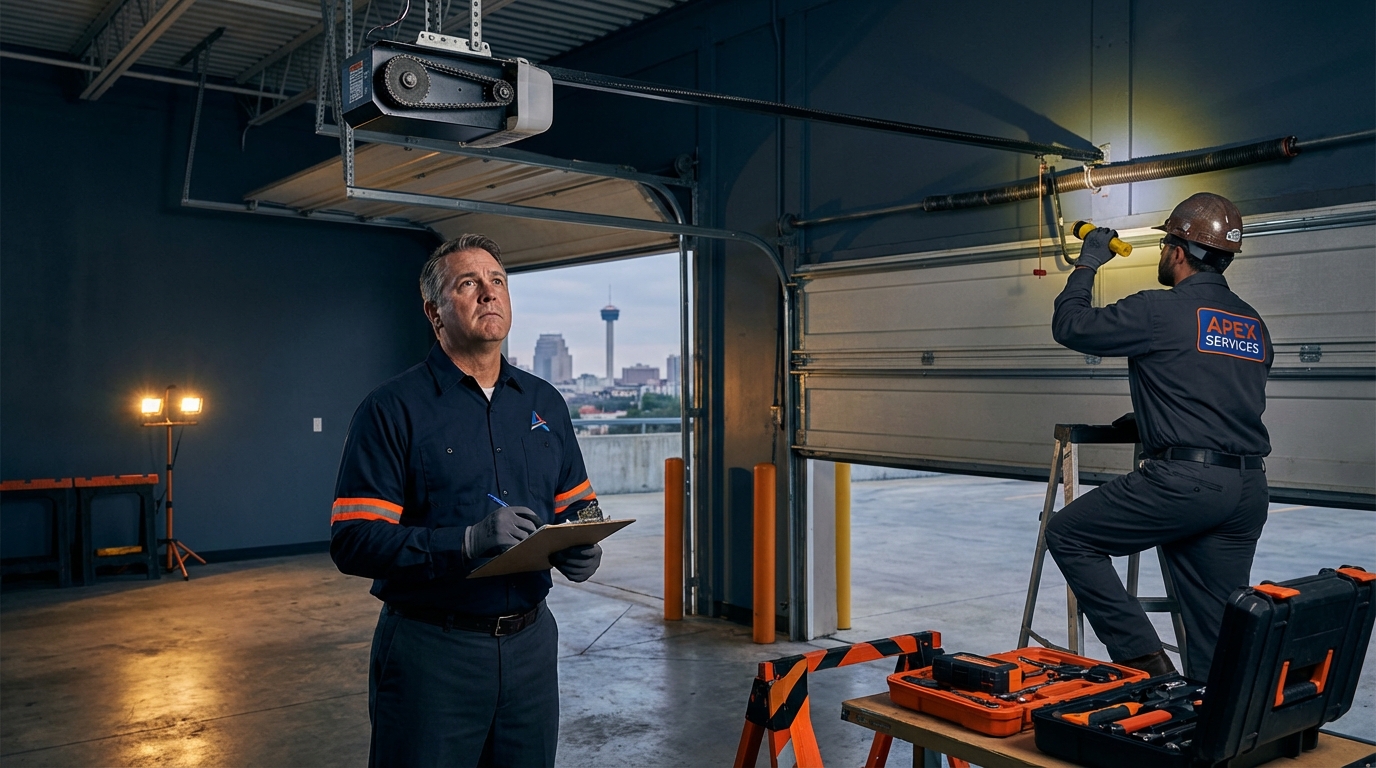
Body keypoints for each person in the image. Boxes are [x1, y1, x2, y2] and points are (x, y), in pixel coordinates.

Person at [330, 233, 603, 767]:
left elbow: (580, 507)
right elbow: (354, 541)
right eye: (468, 284)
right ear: (434, 311)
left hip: (531, 648)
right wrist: (465, 542)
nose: (488, 293)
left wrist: (584, 543)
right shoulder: (390, 410)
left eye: (497, 281)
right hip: (433, 653)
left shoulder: (545, 402)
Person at [1046, 193, 1272, 681]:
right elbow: (1215, 389)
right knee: (1216, 630)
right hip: (1248, 489)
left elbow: (1070, 326)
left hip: (1186, 483)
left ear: (1178, 250)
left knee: (1069, 533)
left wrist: (1088, 264)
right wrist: (1150, 420)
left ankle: (1148, 668)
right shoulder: (1252, 324)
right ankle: (1216, 737)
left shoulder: (1160, 310)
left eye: (1166, 243)